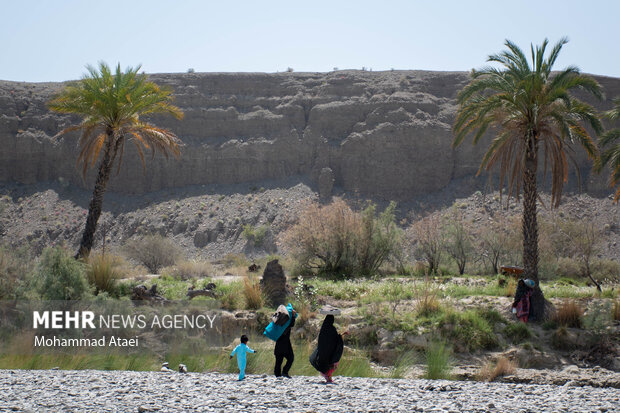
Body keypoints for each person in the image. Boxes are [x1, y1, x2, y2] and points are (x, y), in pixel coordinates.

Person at [310, 315, 348, 383]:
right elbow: (336, 339)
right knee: (331, 363)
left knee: (323, 363)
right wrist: (341, 335)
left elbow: (321, 339)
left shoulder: (323, 328)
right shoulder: (332, 329)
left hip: (322, 350)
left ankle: (327, 377)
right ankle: (328, 377)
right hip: (330, 351)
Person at [274, 310, 296, 378]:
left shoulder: (277, 323)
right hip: (286, 344)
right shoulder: (287, 323)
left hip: (278, 344)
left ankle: (278, 375)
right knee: (291, 358)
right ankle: (284, 372)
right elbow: (292, 324)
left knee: (278, 361)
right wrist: (293, 316)